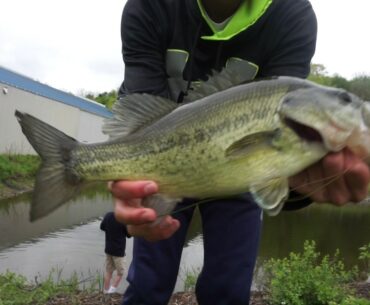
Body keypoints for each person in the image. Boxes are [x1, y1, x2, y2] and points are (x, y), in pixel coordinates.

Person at [111, 0, 370, 304]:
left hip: (243, 169)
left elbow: (280, 161)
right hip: (163, 167)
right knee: (147, 284)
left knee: (229, 291)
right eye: (344, 100)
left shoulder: (291, 14)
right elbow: (138, 119)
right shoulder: (148, 6)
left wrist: (303, 185)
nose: (354, 108)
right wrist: (123, 176)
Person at [100, 211, 131, 294]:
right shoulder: (124, 219)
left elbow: (102, 227)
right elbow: (129, 234)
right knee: (120, 273)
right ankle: (111, 291)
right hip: (119, 251)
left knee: (109, 271)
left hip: (108, 249)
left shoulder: (108, 215)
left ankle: (105, 291)